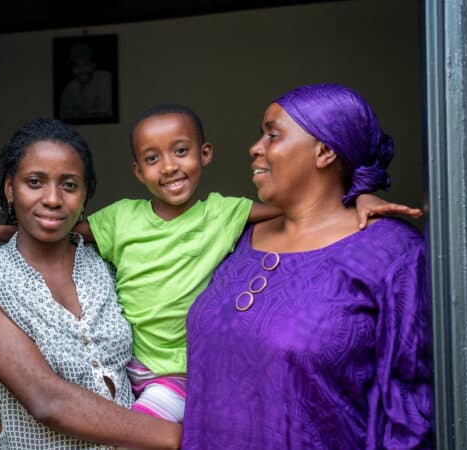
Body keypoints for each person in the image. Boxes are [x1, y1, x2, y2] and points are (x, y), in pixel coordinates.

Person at [0, 104, 420, 424]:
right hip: (135, 375)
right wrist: (0, 230)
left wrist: (361, 195)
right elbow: (61, 230)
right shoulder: (117, 223)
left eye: (69, 185)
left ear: (205, 155)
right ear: (137, 171)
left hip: (180, 374)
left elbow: (305, 207)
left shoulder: (220, 214)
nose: (169, 166)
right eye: (152, 158)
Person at [182, 83, 433, 449]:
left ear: (325, 150)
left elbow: (412, 408)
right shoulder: (236, 239)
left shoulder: (393, 253)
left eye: (272, 135)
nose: (255, 148)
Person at [0, 118, 180, 449]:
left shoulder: (108, 264)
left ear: (85, 196)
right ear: (10, 188)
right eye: (35, 182)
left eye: (69, 185)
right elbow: (46, 399)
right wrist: (190, 438)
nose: (52, 198)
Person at [58, 43, 113, 120]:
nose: (82, 70)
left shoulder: (105, 78)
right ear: (72, 69)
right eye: (77, 66)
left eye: (86, 64)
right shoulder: (69, 89)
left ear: (93, 65)